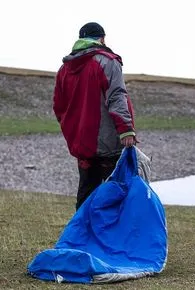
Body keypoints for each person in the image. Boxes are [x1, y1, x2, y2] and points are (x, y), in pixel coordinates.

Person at [53, 22, 137, 210]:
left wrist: (73, 131)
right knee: (114, 192)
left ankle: (80, 236)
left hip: (82, 143)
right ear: (102, 38)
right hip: (108, 142)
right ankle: (110, 237)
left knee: (86, 192)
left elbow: (59, 107)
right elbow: (116, 96)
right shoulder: (108, 61)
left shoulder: (64, 69)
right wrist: (126, 130)